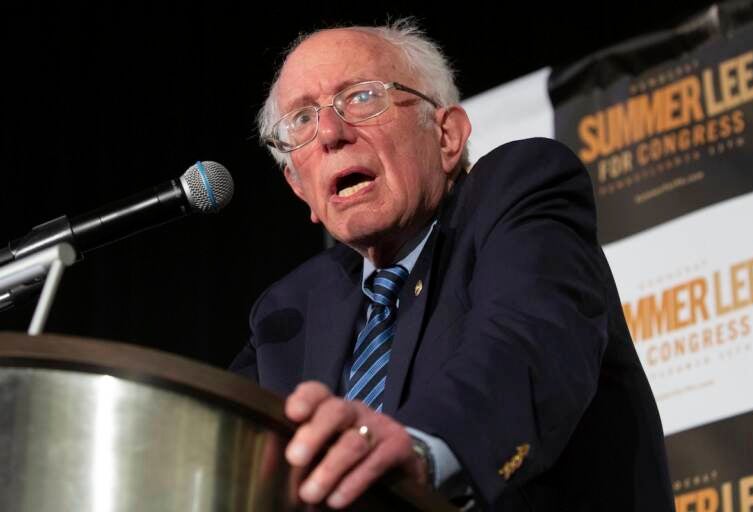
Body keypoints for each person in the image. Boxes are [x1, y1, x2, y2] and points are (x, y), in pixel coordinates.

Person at [230, 19, 675, 511]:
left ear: (447, 137)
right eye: (302, 119)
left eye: (360, 97)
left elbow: (527, 344)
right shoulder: (287, 313)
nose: (331, 133)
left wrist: (422, 447)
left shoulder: (516, 193)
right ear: (300, 188)